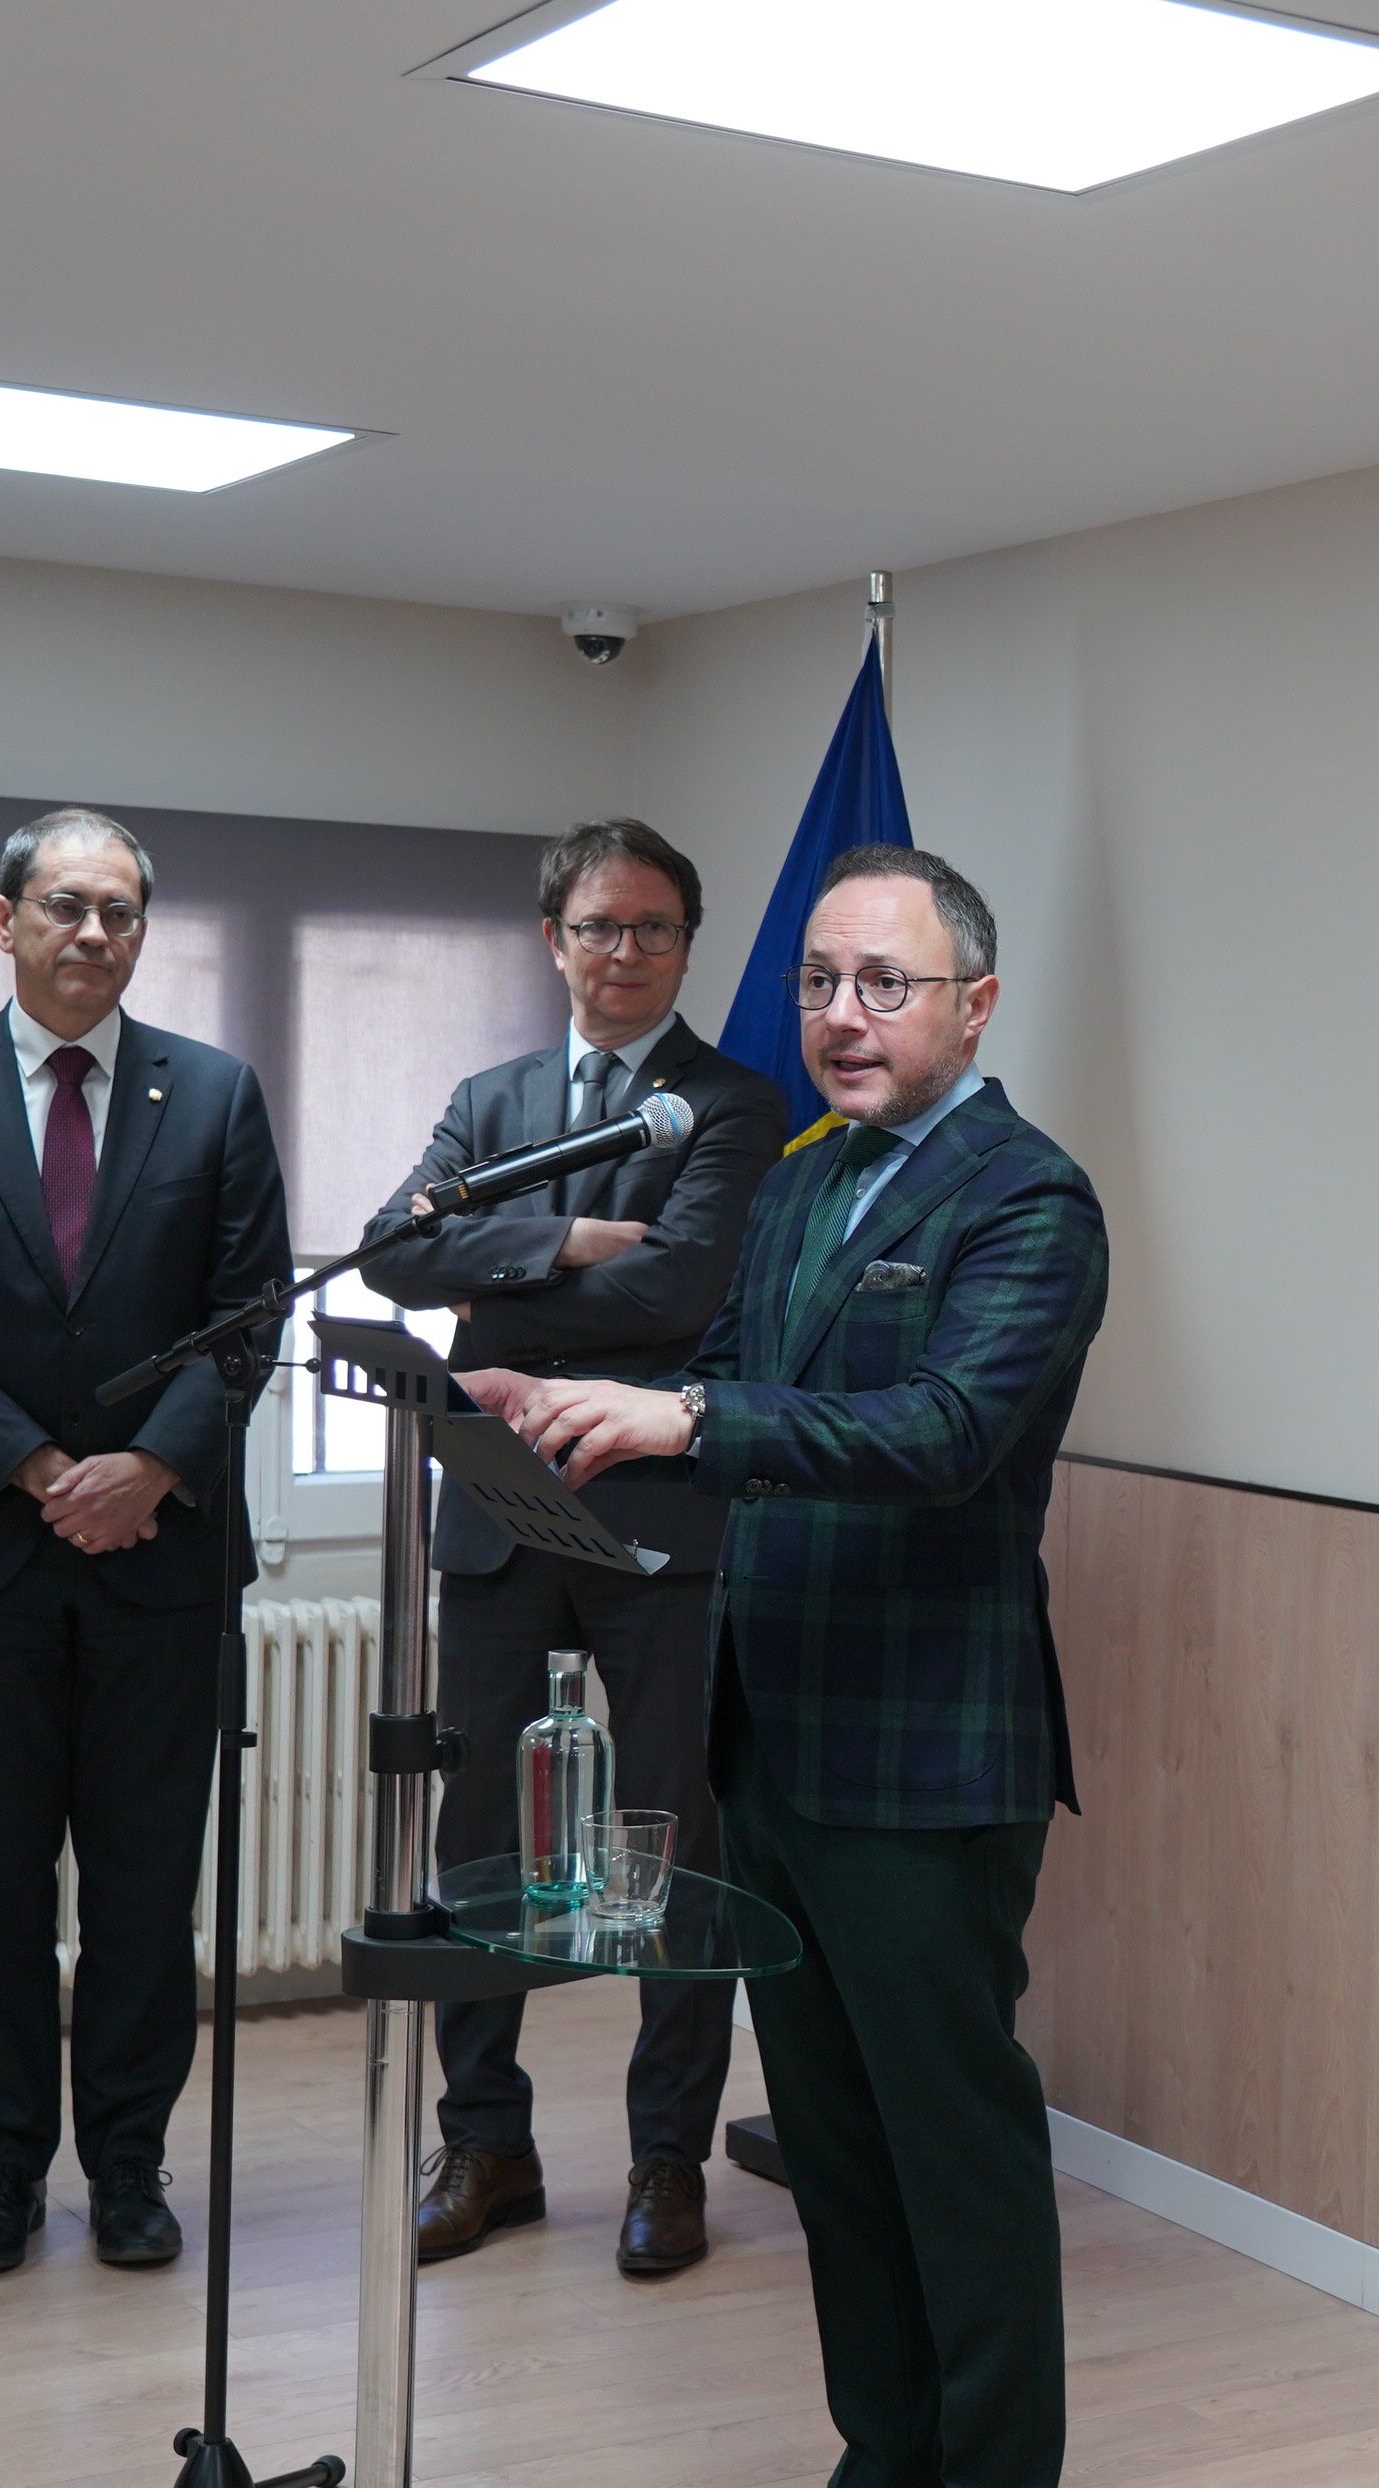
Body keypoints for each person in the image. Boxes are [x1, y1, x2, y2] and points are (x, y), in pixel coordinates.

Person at [483, 843, 1103, 2488]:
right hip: (776, 1730)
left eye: (884, 985)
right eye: (823, 981)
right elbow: (736, 1385)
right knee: (830, 2137)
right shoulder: (809, 1183)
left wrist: (680, 1421)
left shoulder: (1027, 1200)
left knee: (951, 2141)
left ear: (973, 1005)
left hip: (928, 1755)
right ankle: (885, 2477)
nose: (843, 1016)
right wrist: (569, 1411)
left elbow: (939, 1434)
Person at [0, 807, 290, 2278]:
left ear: (141, 933)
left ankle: (131, 2169)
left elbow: (249, 1320)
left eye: (118, 911)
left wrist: (149, 1470)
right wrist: (46, 1472)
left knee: (148, 1882)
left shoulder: (215, 1097)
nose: (92, 932)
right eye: (64, 906)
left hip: (161, 1560)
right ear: (3, 919)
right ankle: (0, 2175)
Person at [355, 817, 782, 2275]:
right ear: (553, 938)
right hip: (492, 1506)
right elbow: (391, 1252)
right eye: (600, 926)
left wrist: (518, 1315)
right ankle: (487, 2145)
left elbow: (688, 1287)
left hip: (661, 1519)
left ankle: (668, 2162)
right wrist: (574, 1247)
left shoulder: (733, 1102)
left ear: (685, 946)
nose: (624, 952)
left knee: (667, 1843)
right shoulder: (496, 1095)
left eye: (654, 929)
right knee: (476, 1839)